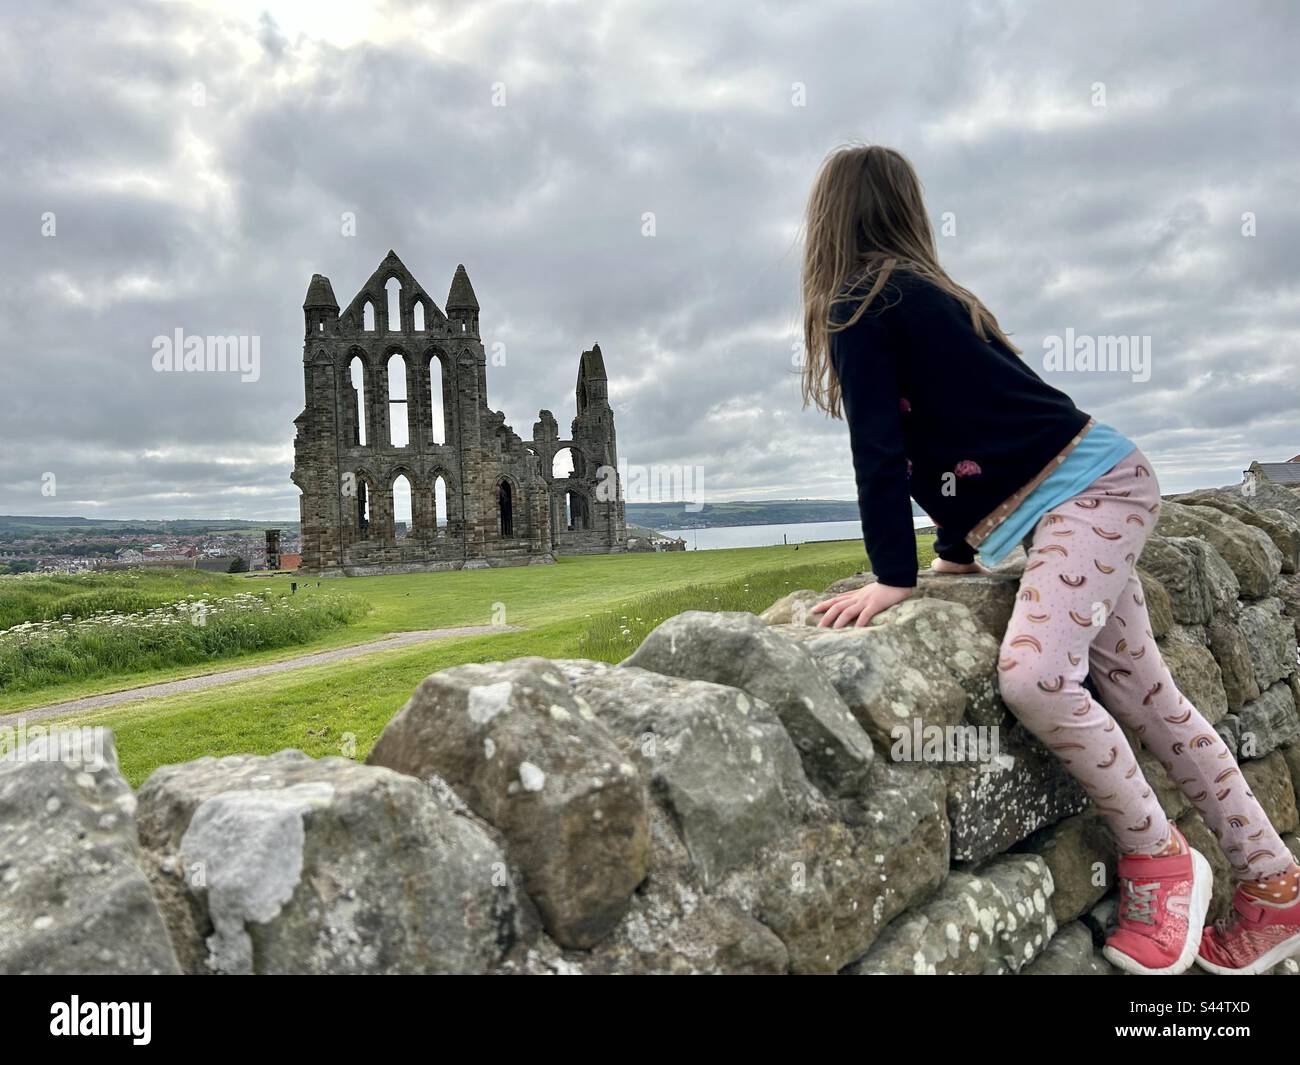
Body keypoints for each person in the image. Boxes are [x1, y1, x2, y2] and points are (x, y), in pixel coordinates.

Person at [801, 143, 1300, 976]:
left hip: (1090, 495)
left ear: (828, 221)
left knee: (1035, 677)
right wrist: (954, 552)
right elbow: (966, 442)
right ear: (904, 208)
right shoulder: (929, 298)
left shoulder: (863, 301)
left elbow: (883, 452)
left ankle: (1160, 860)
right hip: (1096, 487)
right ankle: (1275, 885)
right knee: (1149, 695)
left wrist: (895, 573)